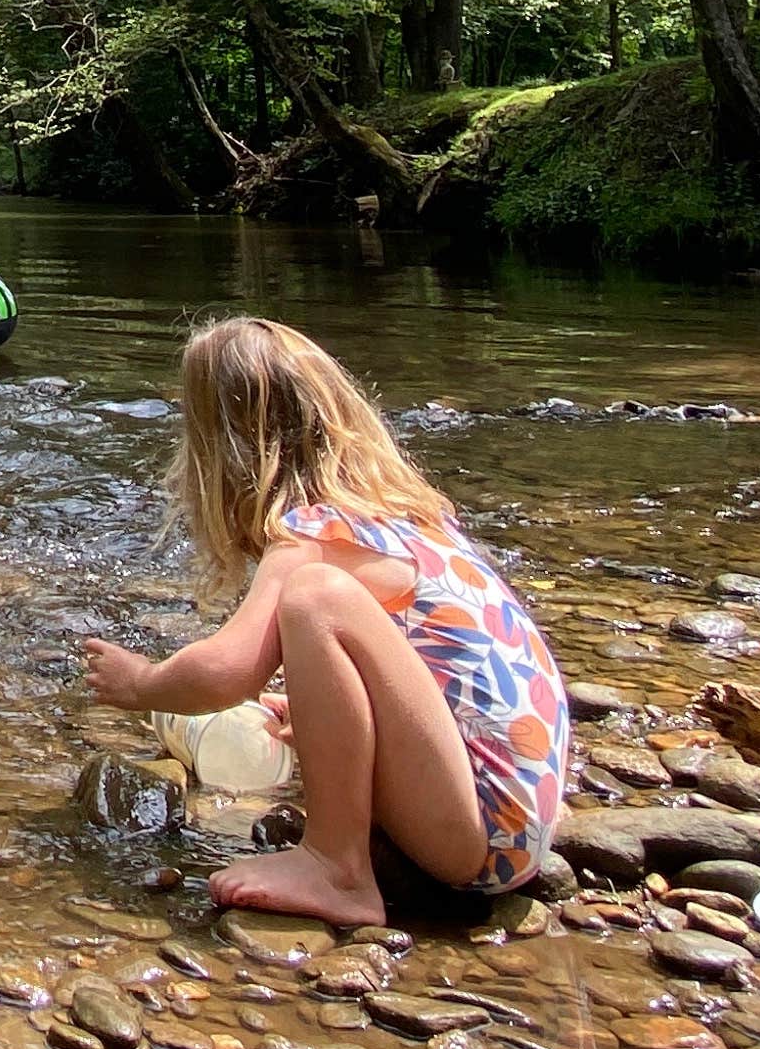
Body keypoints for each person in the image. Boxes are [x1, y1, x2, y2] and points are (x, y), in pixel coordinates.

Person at [81, 314, 570, 929]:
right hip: (517, 815)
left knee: (315, 599)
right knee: (321, 608)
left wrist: (142, 684)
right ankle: (344, 855)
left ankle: (337, 868)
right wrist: (319, 711)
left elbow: (226, 672)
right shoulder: (407, 517)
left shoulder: (313, 535)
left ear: (225, 450)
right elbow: (431, 673)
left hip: (475, 832)